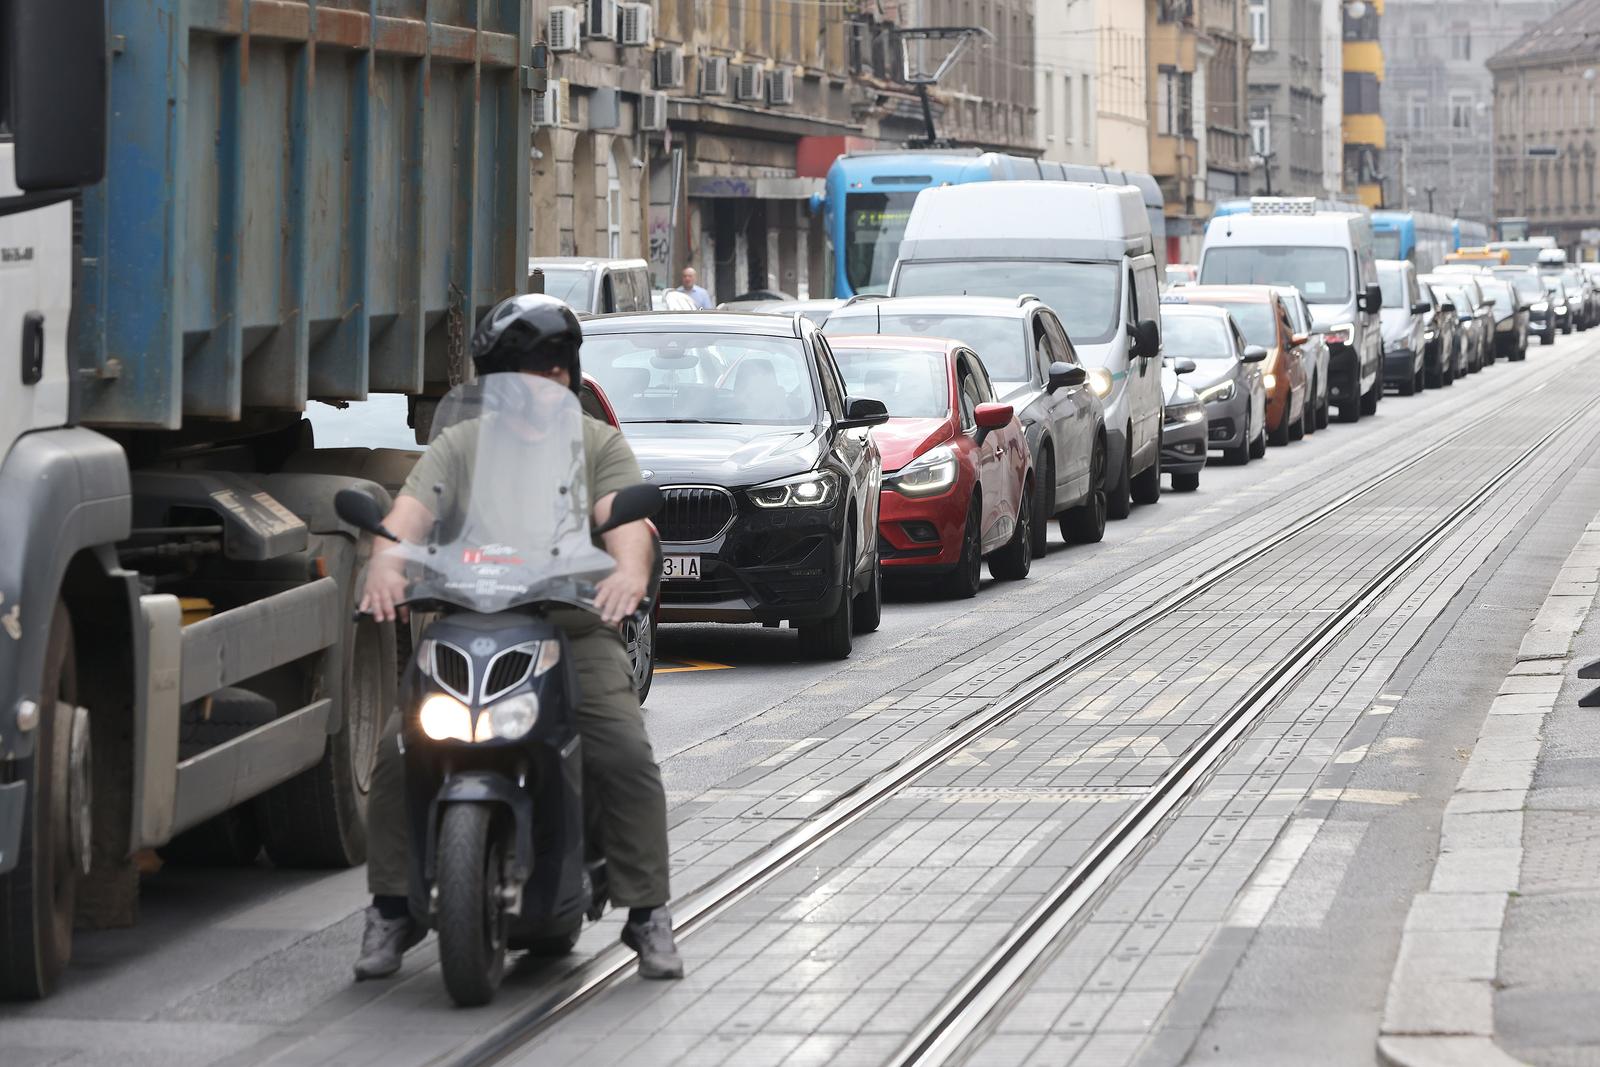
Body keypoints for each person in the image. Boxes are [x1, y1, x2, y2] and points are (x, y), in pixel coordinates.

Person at [352, 294, 683, 982]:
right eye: (495, 376)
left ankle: (648, 910)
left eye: (522, 373)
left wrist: (627, 572)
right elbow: (410, 513)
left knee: (621, 746)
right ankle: (390, 906)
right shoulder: (462, 443)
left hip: (569, 628)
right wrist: (385, 561)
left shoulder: (595, 443)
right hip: (469, 622)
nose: (506, 390)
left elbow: (623, 522)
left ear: (559, 375)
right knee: (396, 749)